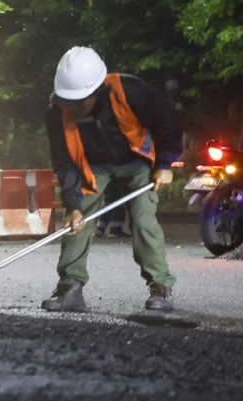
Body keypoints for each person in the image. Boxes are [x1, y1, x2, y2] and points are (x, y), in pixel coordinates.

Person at [44, 46, 182, 312]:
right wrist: (72, 205)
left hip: (137, 160)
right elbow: (64, 163)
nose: (72, 107)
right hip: (93, 166)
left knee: (143, 220)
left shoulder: (129, 91)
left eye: (79, 101)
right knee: (78, 219)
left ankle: (161, 286)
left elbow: (169, 120)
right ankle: (70, 287)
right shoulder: (56, 111)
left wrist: (165, 163)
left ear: (95, 92)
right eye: (68, 101)